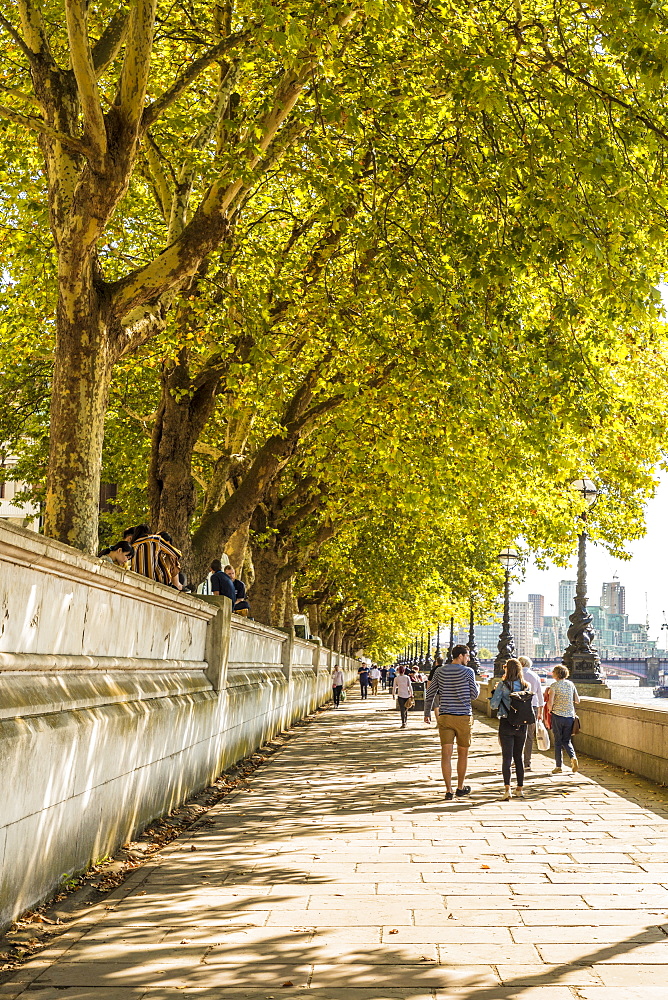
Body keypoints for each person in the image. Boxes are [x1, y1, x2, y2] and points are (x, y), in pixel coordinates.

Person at [424, 644, 479, 800]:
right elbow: (474, 695)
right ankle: (460, 787)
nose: (468, 659)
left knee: (446, 755)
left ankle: (448, 791)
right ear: (460, 656)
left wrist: (427, 713)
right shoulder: (469, 672)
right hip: (463, 717)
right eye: (467, 656)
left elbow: (431, 693)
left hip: (446, 716)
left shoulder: (440, 671)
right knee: (463, 754)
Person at [490, 658, 531, 800]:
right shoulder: (526, 686)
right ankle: (520, 788)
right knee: (518, 757)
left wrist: (494, 692)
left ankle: (507, 790)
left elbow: (493, 705)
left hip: (507, 722)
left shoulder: (502, 685)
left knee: (507, 757)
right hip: (522, 724)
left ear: (507, 670)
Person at [545, 664, 580, 774]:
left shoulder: (554, 686)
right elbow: (577, 700)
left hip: (557, 716)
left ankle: (558, 766)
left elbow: (550, 703)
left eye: (553, 672)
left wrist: (550, 710)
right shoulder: (570, 684)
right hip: (569, 716)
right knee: (567, 740)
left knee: (558, 741)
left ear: (556, 674)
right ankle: (573, 757)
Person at [130, 525, 183, 589]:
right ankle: (176, 583)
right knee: (171, 556)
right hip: (157, 579)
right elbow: (177, 554)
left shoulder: (133, 545)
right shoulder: (155, 539)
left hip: (136, 580)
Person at [518, 655, 543, 771]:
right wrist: (540, 712)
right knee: (529, 736)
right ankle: (527, 762)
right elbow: (540, 695)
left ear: (521, 664)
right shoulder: (535, 676)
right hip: (533, 707)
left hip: (518, 707)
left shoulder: (517, 675)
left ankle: (517, 760)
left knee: (517, 734)